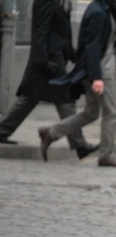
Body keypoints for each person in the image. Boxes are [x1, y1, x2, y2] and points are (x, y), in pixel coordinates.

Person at [38, 0, 116, 167]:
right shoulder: (98, 12)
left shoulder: (106, 10)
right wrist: (96, 77)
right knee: (112, 112)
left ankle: (51, 132)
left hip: (103, 68)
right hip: (101, 72)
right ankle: (106, 155)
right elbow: (92, 47)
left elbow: (106, 46)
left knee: (91, 112)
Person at [0, 0, 98, 160]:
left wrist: (73, 55)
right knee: (66, 99)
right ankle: (80, 145)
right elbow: (40, 31)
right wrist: (43, 62)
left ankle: (2, 130)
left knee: (29, 99)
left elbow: (59, 33)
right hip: (48, 61)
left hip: (51, 59)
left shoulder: (59, 2)